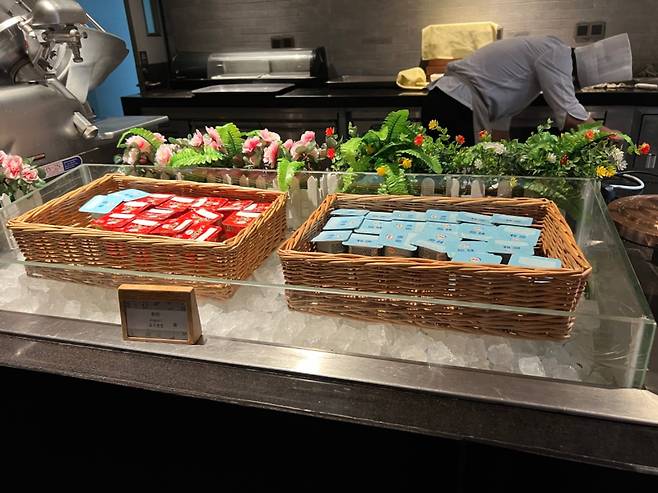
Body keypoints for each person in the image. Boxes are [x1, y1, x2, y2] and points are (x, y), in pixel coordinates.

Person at [423, 33, 633, 144]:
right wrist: (609, 133)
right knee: (455, 182)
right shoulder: (556, 53)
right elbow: (570, 115)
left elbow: (500, 128)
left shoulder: (534, 64)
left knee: (449, 181)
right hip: (456, 105)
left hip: (446, 100)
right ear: (572, 75)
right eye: (572, 84)